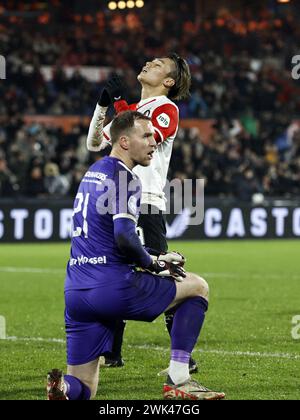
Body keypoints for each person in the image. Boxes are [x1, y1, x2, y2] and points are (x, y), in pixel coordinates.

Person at [47, 111, 225, 401]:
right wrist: (153, 263)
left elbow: (108, 237)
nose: (154, 141)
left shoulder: (92, 172)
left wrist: (152, 255)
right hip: (112, 287)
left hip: (77, 291)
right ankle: (180, 381)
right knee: (197, 287)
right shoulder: (125, 177)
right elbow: (124, 236)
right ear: (125, 142)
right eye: (146, 135)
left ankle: (62, 389)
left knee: (84, 388)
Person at [86, 53, 198, 375]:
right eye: (150, 60)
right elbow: (95, 143)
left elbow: (141, 138)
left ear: (169, 81)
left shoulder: (166, 109)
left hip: (147, 203)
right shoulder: (132, 112)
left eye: (159, 64)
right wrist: (104, 104)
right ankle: (111, 353)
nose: (149, 62)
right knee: (110, 273)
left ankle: (183, 359)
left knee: (165, 274)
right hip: (114, 202)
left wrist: (120, 107)